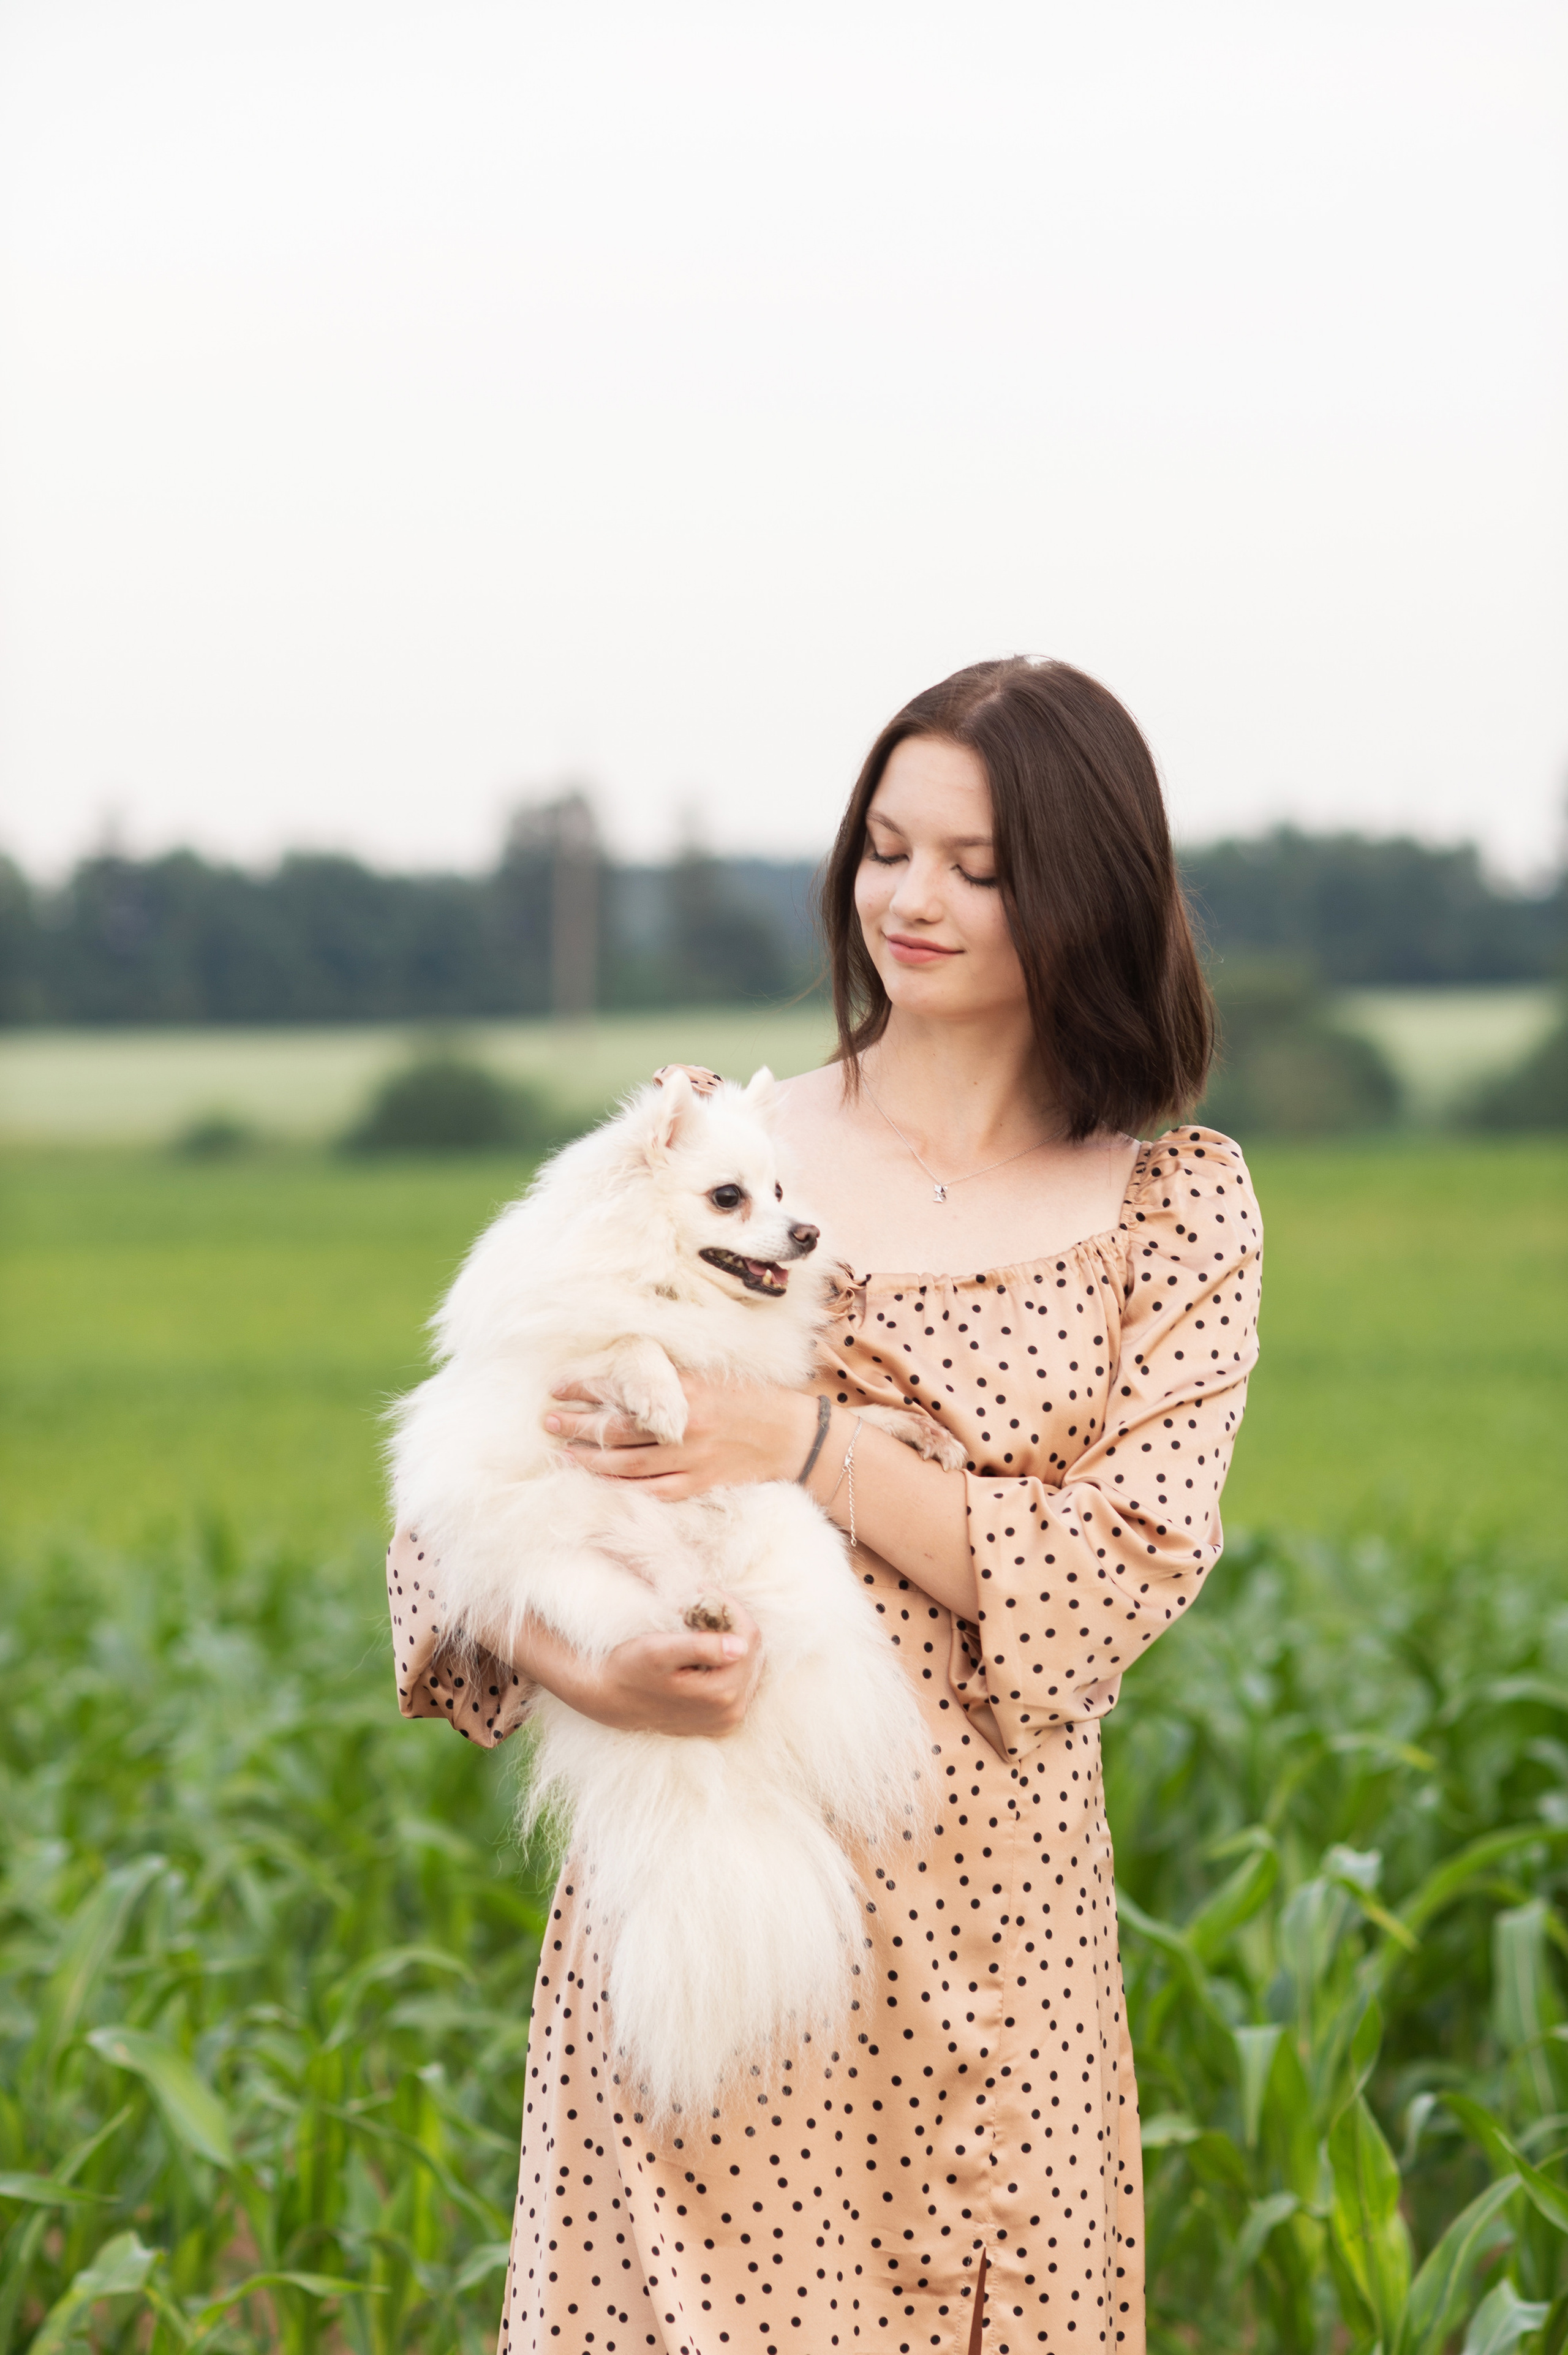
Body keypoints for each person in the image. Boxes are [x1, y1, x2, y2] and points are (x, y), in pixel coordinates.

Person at [386, 656, 1262, 2355]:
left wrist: (797, 1442)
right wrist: (593, 1672)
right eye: (885, 846)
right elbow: (460, 1512)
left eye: (978, 866)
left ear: (1087, 891)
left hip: (999, 1965)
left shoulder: (1179, 1211)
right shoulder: (716, 1159)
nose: (908, 900)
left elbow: (1111, 1583)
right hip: (710, 1917)